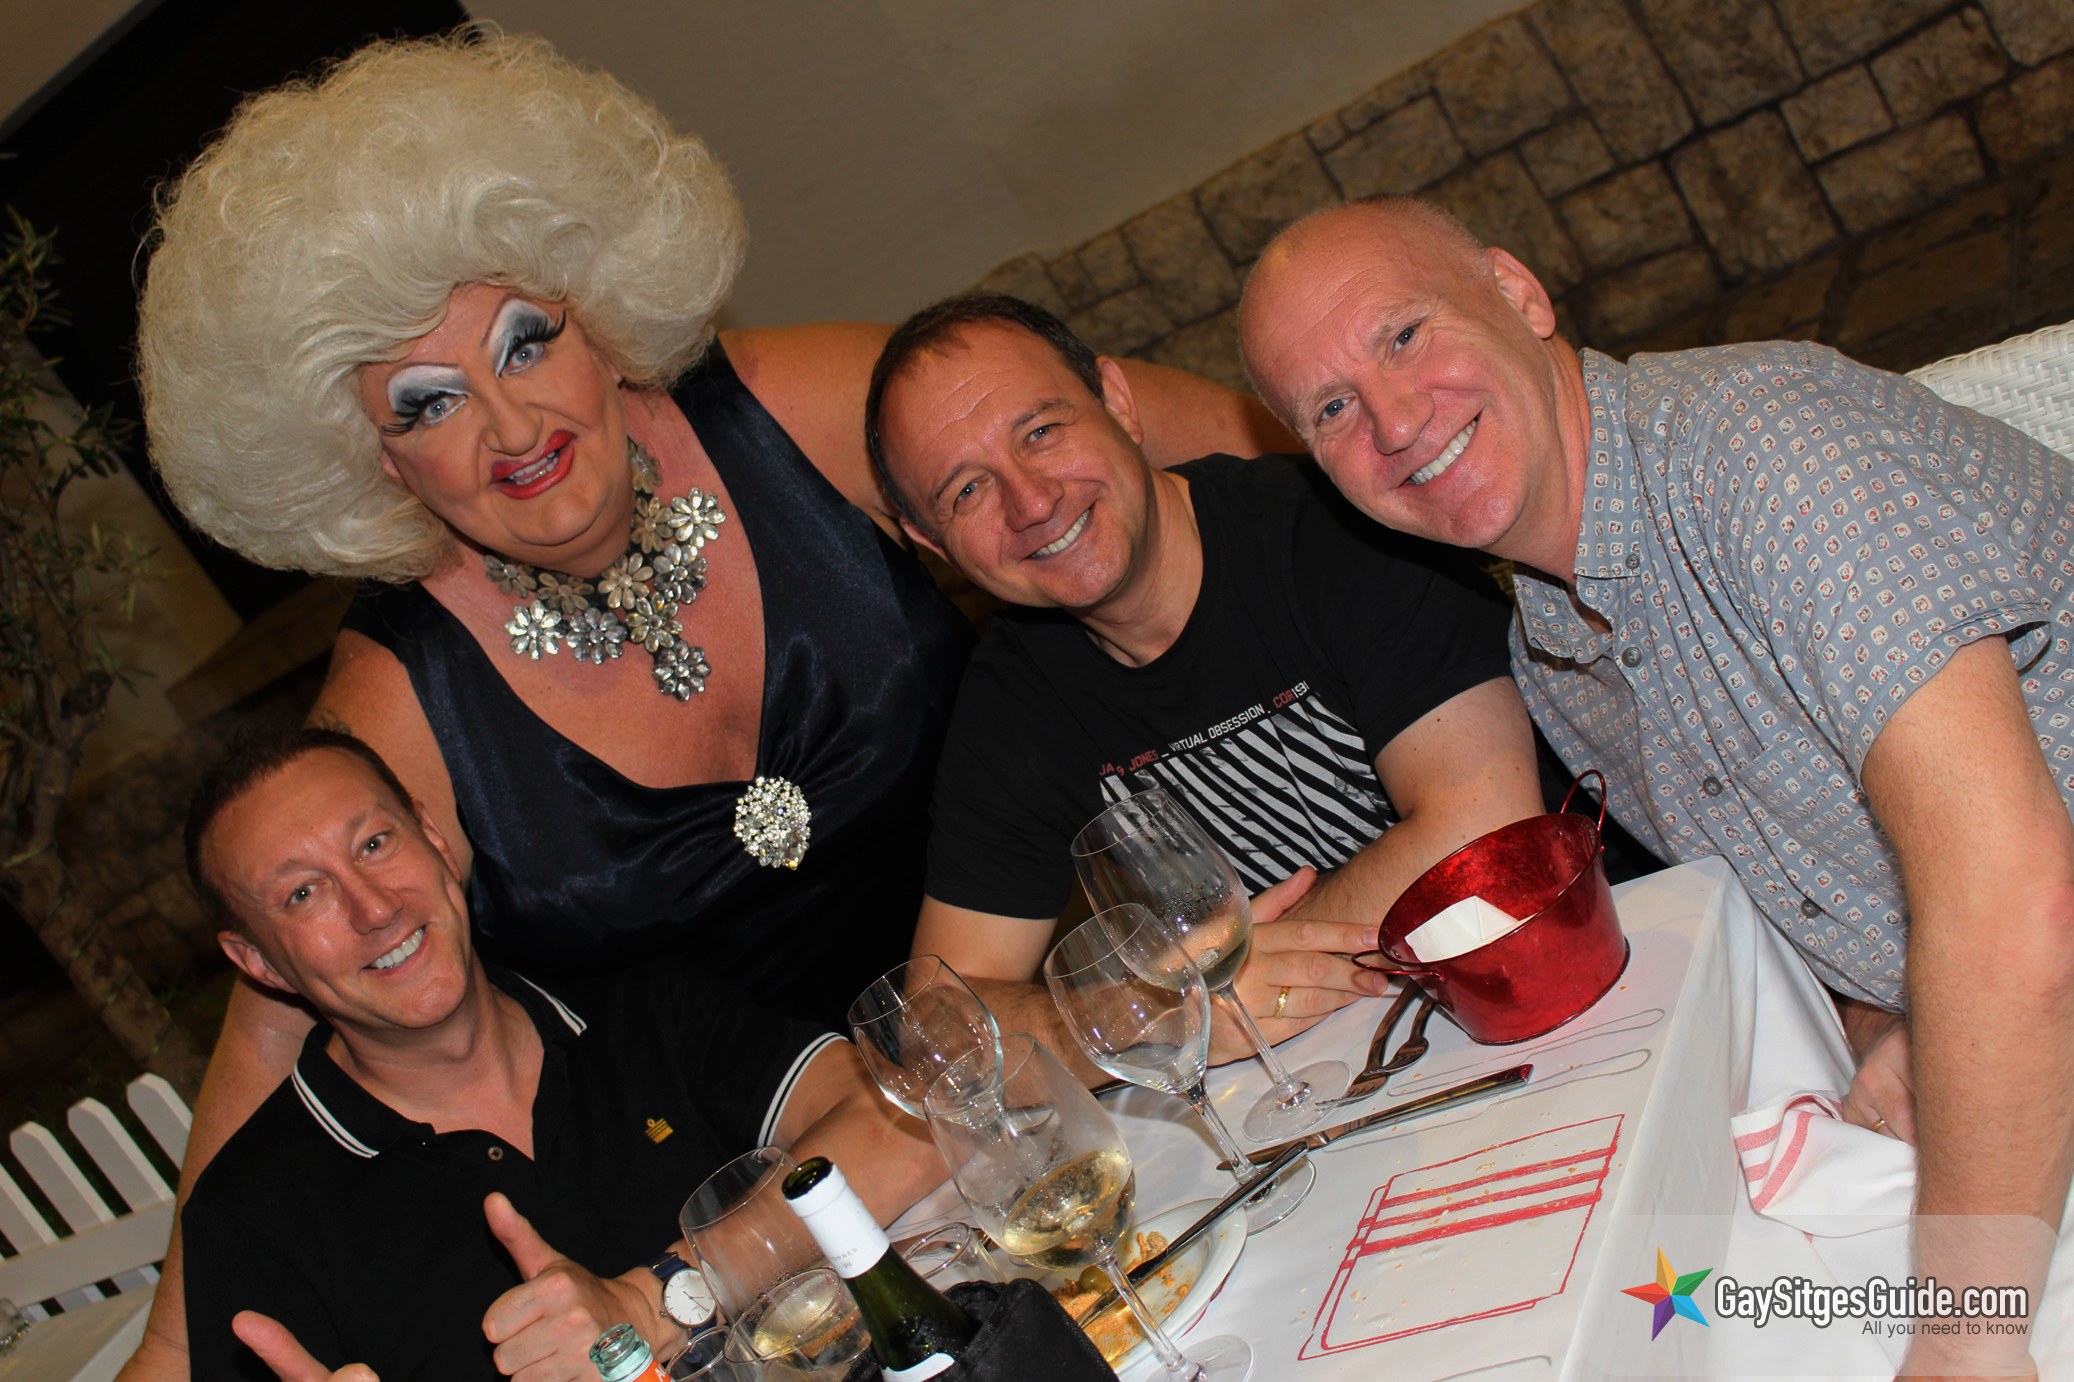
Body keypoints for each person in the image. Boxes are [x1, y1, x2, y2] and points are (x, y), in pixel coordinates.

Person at [128, 28, 1290, 1381]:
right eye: (428, 402)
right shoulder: (398, 706)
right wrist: (171, 1351)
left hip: (1108, 1043)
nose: (511, 426)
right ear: (372, 460)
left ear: (598, 305)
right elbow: (287, 1023)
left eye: (526, 339)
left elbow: (1192, 459)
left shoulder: (793, 408)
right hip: (783, 1248)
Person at [1238, 195, 2074, 1374]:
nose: (1393, 419)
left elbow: (2019, 903)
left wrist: (1964, 1343)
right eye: (1329, 407)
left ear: (1518, 293)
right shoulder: (1553, 654)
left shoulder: (1763, 451)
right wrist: (1889, 1015)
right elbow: (1838, 885)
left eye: (1405, 334)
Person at [863, 293, 1545, 1061]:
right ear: (933, 544)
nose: (1032, 503)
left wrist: (1218, 987)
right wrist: (1155, 1015)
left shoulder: (1329, 530)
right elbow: (938, 1029)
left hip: (1555, 973)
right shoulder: (1012, 705)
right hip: (1336, 1071)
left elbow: (1488, 827)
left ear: (1117, 403)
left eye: (1042, 432)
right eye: (967, 490)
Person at [179, 723, 939, 1380]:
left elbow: (909, 1128)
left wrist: (655, 1301)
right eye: (303, 895)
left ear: (433, 838)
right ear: (259, 962)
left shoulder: (639, 1003)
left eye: (375, 844)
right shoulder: (250, 1220)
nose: (374, 908)